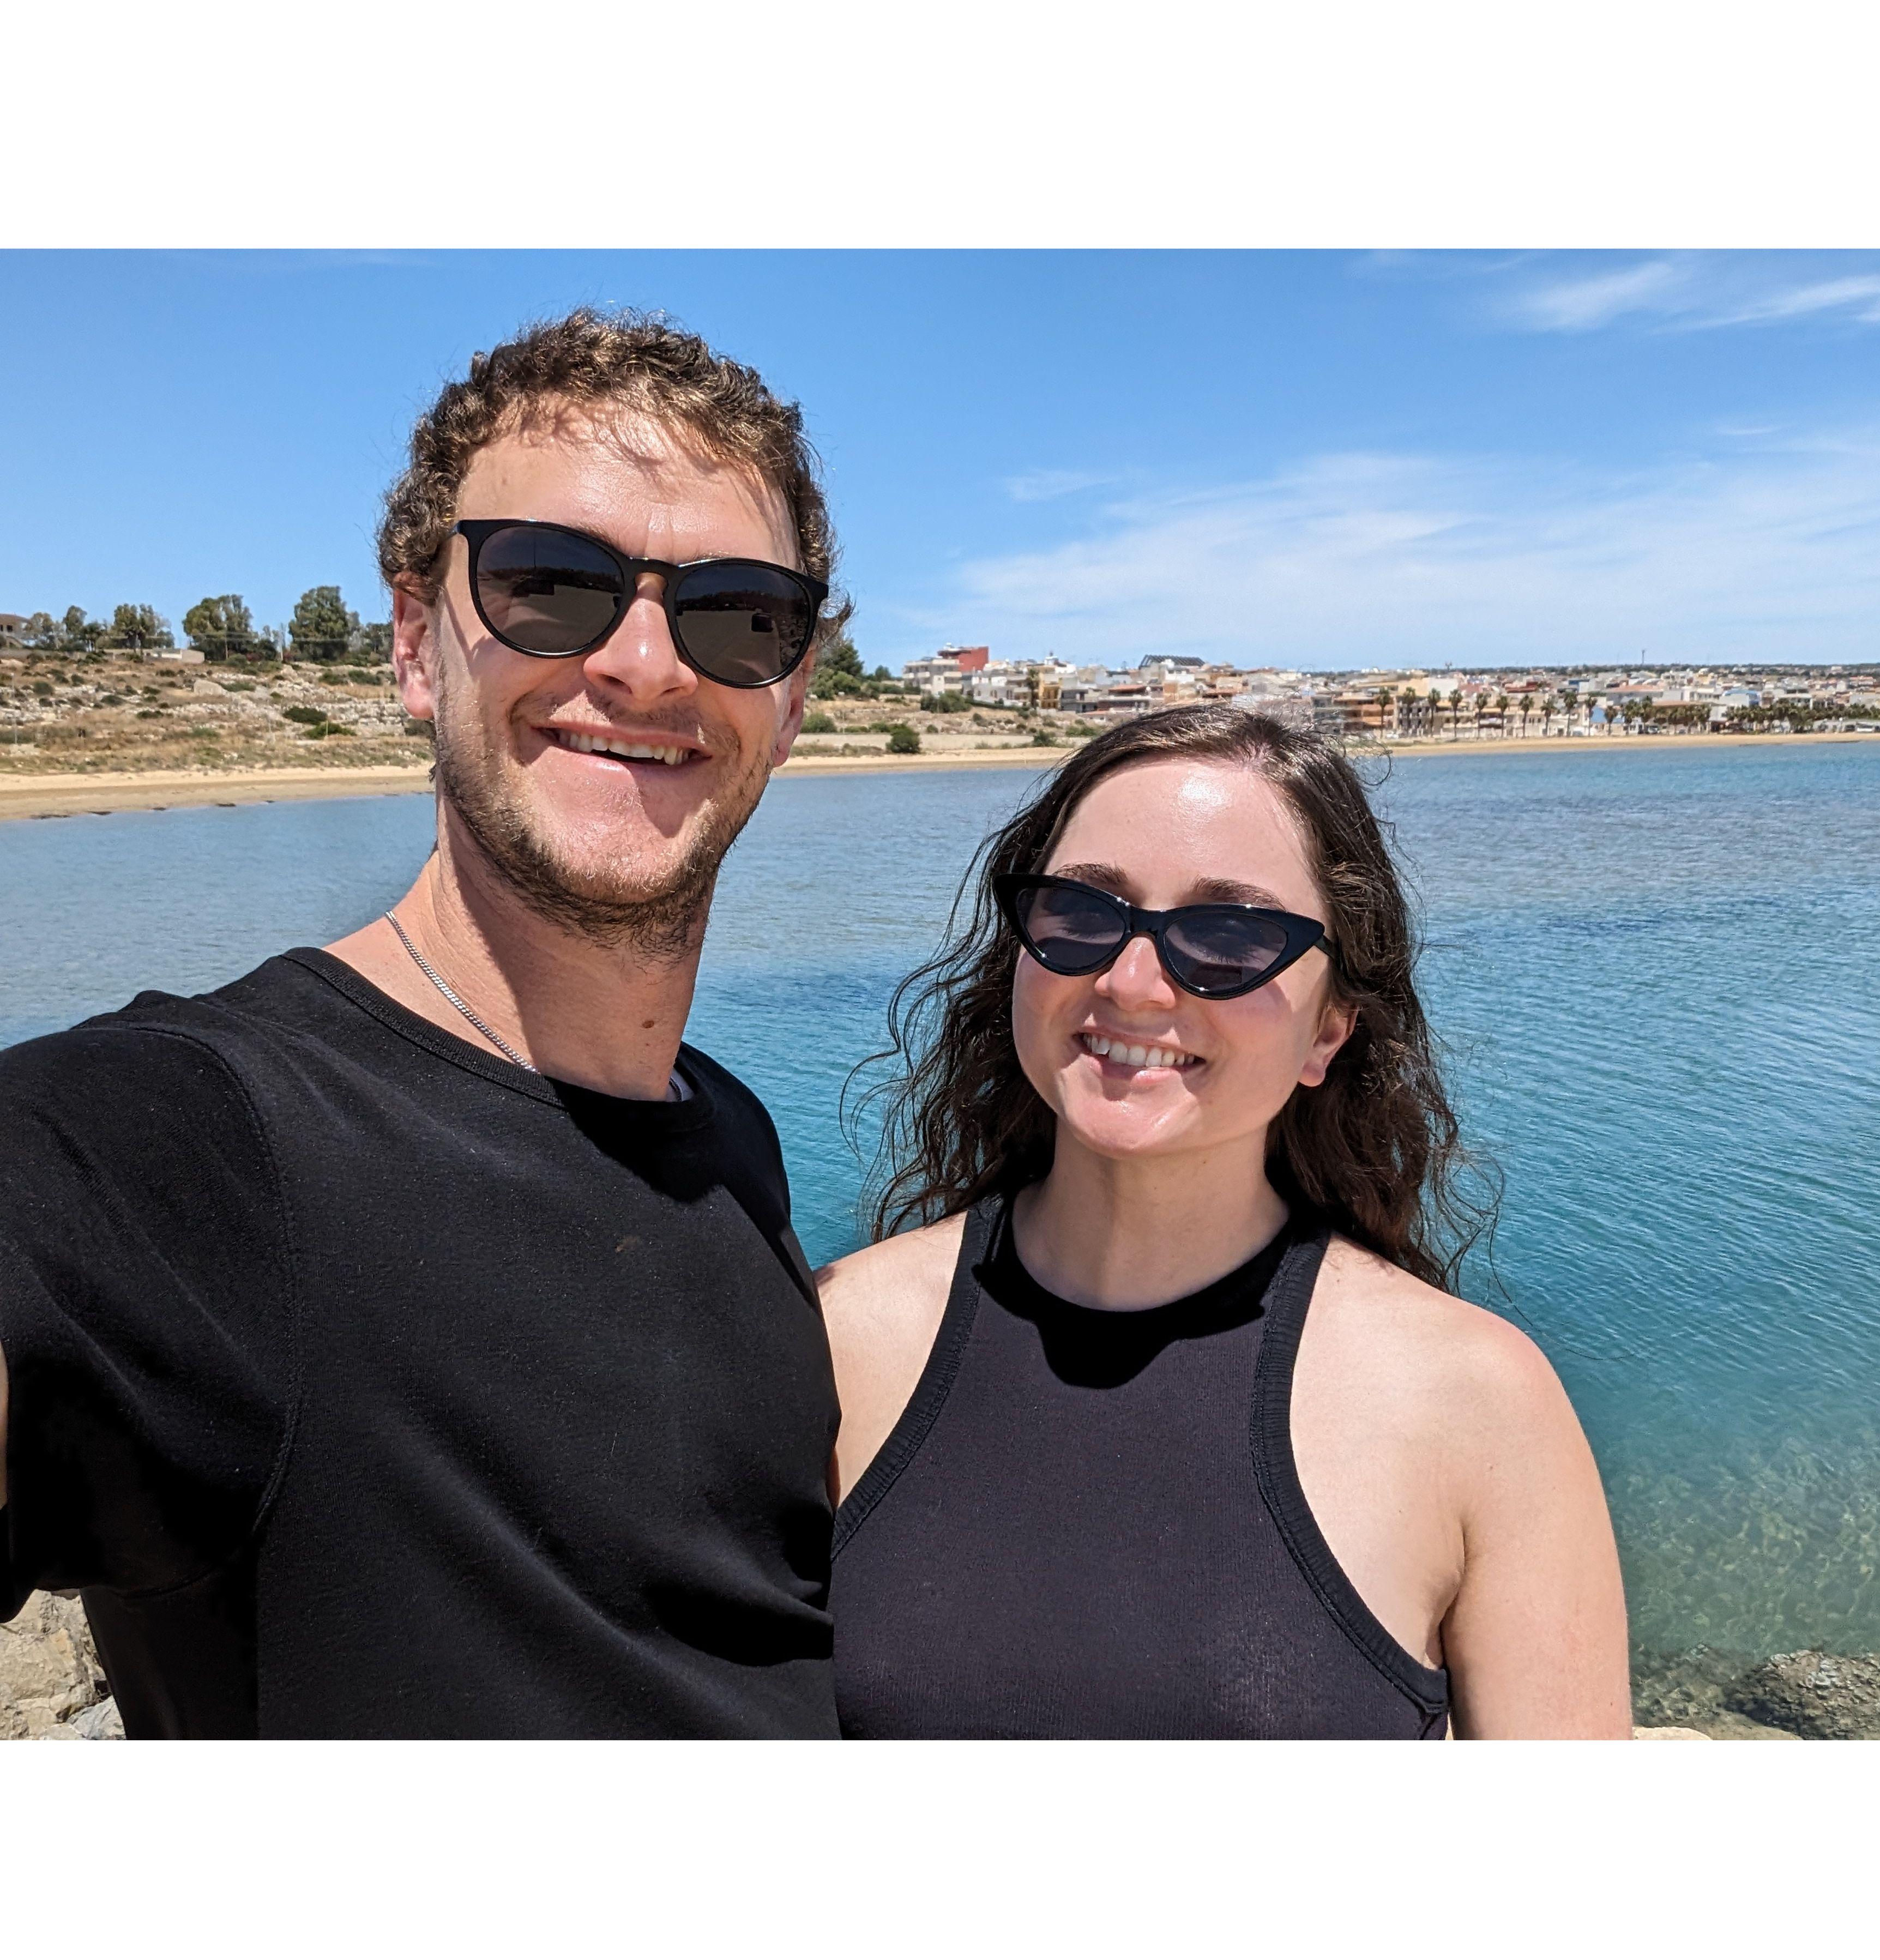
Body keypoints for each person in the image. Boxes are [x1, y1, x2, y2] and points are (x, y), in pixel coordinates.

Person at [0, 309, 843, 1737]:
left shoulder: (727, 1134)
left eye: (739, 611)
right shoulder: (193, 1143)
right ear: (413, 643)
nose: (645, 662)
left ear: (797, 692)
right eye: (550, 583)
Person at [820, 708, 1631, 1738]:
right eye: (1080, 913)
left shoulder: (1476, 1407)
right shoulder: (837, 1341)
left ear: (1328, 1028)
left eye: (1230, 935)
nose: (1130, 982)